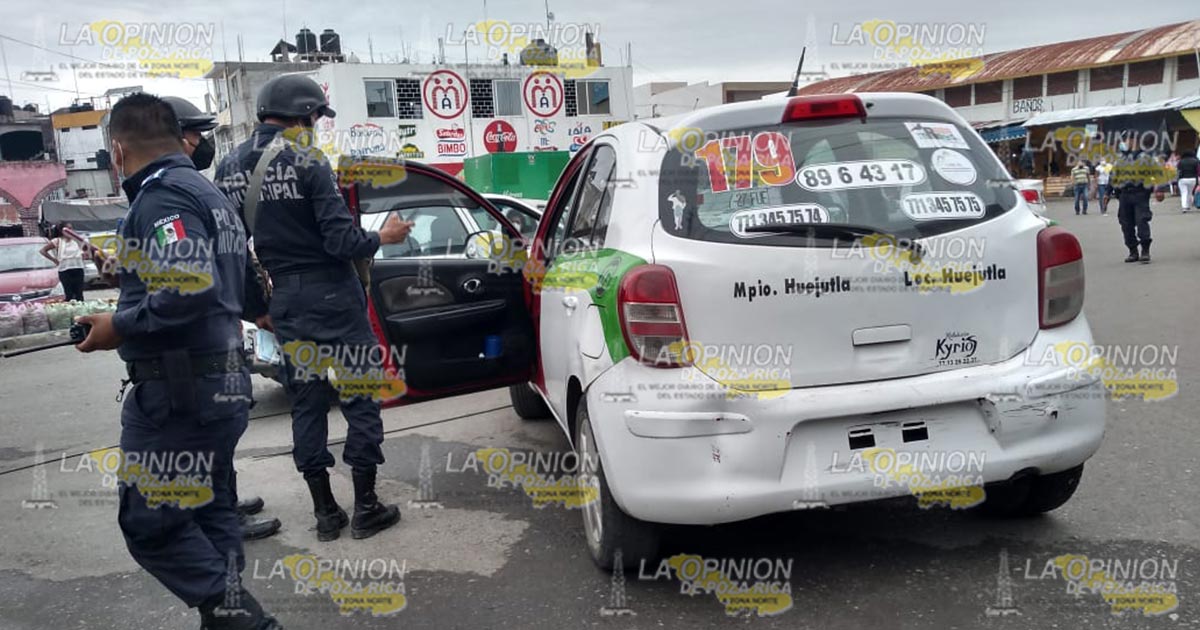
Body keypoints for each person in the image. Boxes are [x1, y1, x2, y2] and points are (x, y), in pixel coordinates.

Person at [74, 93, 281, 629]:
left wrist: (117, 326)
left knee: (153, 522)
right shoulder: (204, 193)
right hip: (218, 382)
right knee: (211, 512)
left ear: (117, 150)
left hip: (180, 394)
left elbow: (189, 287)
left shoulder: (161, 198)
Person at [215, 74, 412, 542]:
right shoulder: (308, 158)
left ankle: (326, 514)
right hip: (335, 298)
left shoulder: (230, 166)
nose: (318, 127)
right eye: (317, 118)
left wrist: (257, 305)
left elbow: (233, 246)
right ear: (304, 115)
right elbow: (341, 240)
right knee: (361, 396)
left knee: (306, 402)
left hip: (285, 300)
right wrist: (382, 237)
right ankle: (366, 507)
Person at [163, 95, 282, 543]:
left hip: (222, 324)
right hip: (202, 338)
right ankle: (220, 516)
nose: (202, 142)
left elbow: (234, 256)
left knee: (225, 424)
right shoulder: (175, 194)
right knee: (213, 425)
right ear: (174, 136)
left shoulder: (197, 185)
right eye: (195, 133)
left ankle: (225, 501)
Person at [1112, 153, 1153, 264]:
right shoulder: (1119, 161)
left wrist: (1159, 189)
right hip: (1124, 195)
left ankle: (1145, 250)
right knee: (1126, 224)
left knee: (1142, 221)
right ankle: (1133, 251)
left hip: (1140, 193)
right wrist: (1107, 192)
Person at [39, 223, 86, 301]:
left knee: (79, 294)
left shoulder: (77, 240)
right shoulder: (58, 241)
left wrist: (84, 255)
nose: (70, 231)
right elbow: (43, 251)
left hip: (78, 268)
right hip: (65, 270)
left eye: (71, 229)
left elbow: (85, 251)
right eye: (67, 229)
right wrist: (54, 260)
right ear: (62, 231)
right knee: (69, 294)